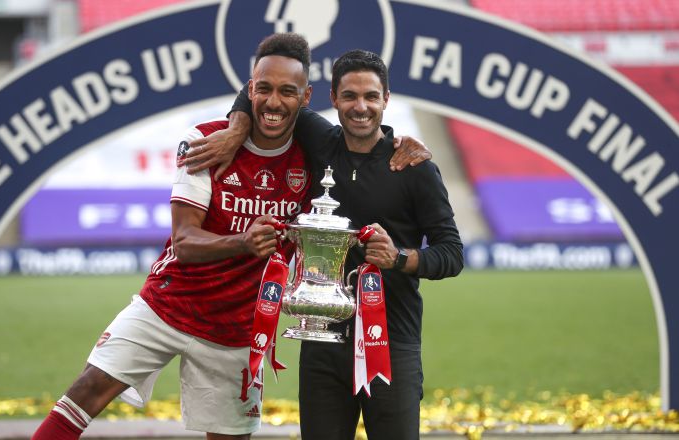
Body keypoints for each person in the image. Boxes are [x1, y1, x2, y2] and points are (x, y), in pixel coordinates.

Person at [31, 32, 317, 440]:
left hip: (237, 328)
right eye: (264, 88)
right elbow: (184, 242)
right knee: (86, 391)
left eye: (287, 91)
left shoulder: (316, 157)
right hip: (168, 303)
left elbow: (368, 143)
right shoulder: (204, 140)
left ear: (305, 98)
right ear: (249, 89)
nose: (273, 102)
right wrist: (243, 242)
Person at [191, 49, 464, 440]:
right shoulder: (318, 139)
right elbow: (257, 92)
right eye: (350, 96)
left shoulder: (414, 168)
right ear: (332, 98)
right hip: (321, 336)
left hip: (389, 342)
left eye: (371, 96)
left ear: (386, 99)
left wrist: (399, 257)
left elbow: (452, 253)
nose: (361, 107)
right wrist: (237, 131)